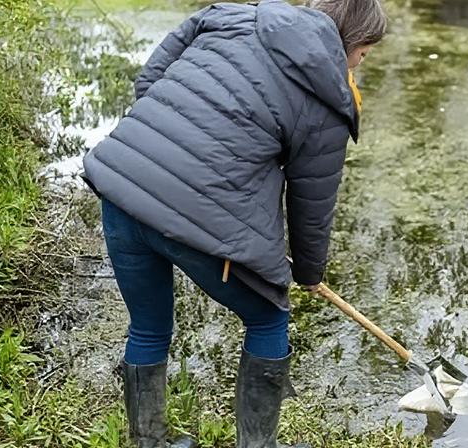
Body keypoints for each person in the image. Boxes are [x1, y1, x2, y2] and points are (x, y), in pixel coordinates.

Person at [81, 0, 386, 446]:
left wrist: (175, 149)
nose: (363, 61)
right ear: (349, 40)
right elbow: (311, 203)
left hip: (121, 186)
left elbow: (150, 81)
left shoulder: (230, 15)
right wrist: (307, 274)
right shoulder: (329, 96)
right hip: (189, 208)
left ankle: (149, 442)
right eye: (364, 51)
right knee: (269, 318)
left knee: (148, 326)